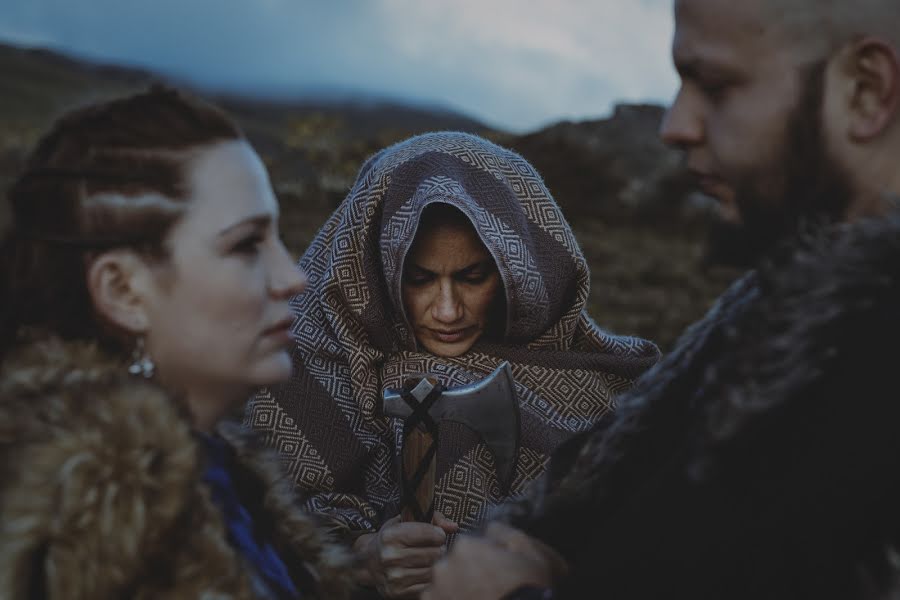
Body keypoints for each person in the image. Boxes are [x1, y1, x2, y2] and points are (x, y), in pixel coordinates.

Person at [424, 0, 900, 598]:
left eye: (718, 85)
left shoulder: (870, 368)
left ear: (867, 90)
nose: (676, 125)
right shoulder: (784, 321)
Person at [246, 131, 660, 597]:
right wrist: (362, 553)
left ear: (514, 269)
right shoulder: (291, 366)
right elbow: (257, 525)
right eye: (420, 279)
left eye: (472, 276)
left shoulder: (607, 380)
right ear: (377, 267)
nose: (447, 310)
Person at [0, 87, 352, 599]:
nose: (293, 277)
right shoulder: (94, 534)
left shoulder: (210, 477)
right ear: (124, 291)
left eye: (277, 238)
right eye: (247, 244)